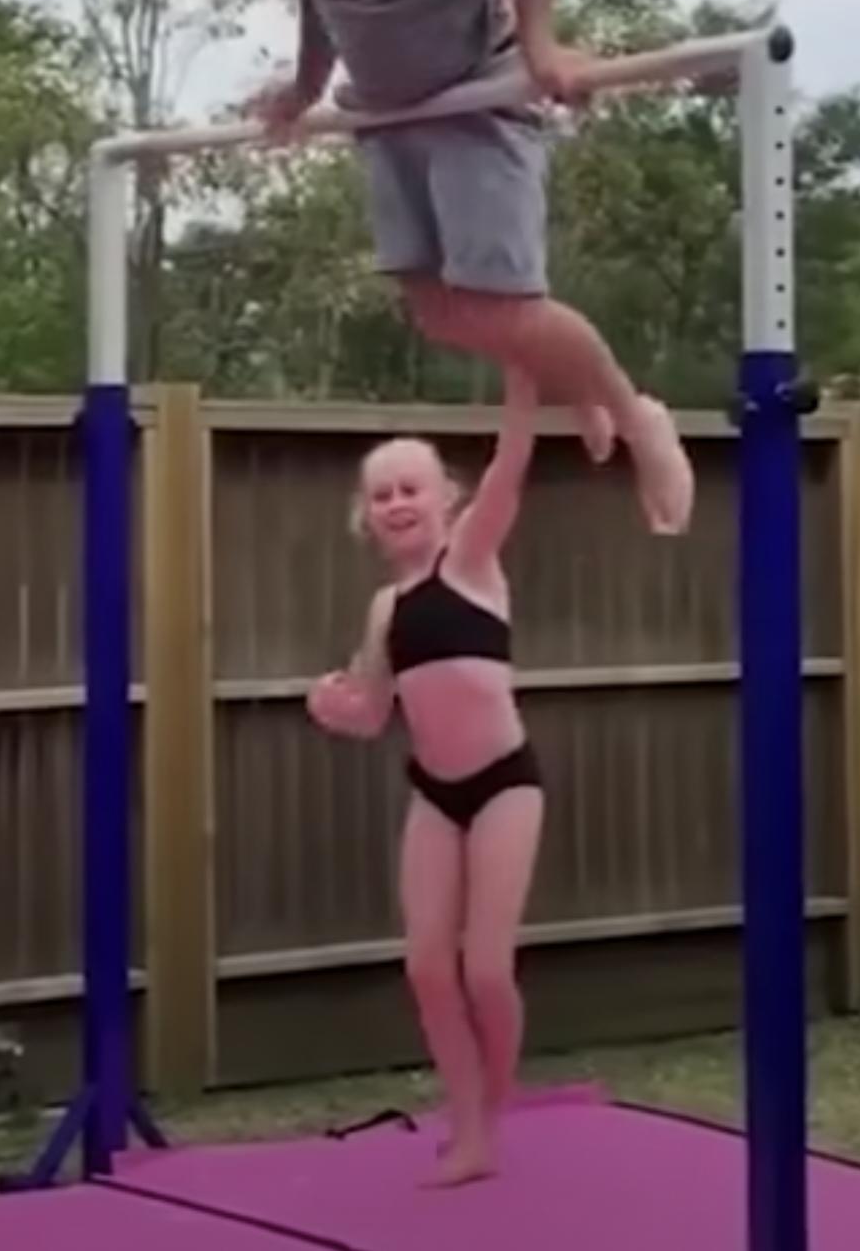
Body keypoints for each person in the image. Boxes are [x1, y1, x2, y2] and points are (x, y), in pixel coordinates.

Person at [201, 0, 693, 535]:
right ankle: (586, 386)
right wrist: (304, 87)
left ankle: (636, 413)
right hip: (384, 107)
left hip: (474, 88)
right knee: (436, 311)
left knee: (503, 306)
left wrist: (540, 43)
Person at [305, 369, 546, 1186]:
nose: (397, 503)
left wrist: (523, 370)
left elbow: (513, 463)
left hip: (506, 783)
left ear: (445, 497)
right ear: (367, 518)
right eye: (381, 496)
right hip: (437, 793)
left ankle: (496, 1098)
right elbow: (374, 711)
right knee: (426, 968)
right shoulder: (385, 609)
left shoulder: (472, 559)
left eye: (410, 488)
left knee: (486, 968)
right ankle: (471, 1129)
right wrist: (333, 706)